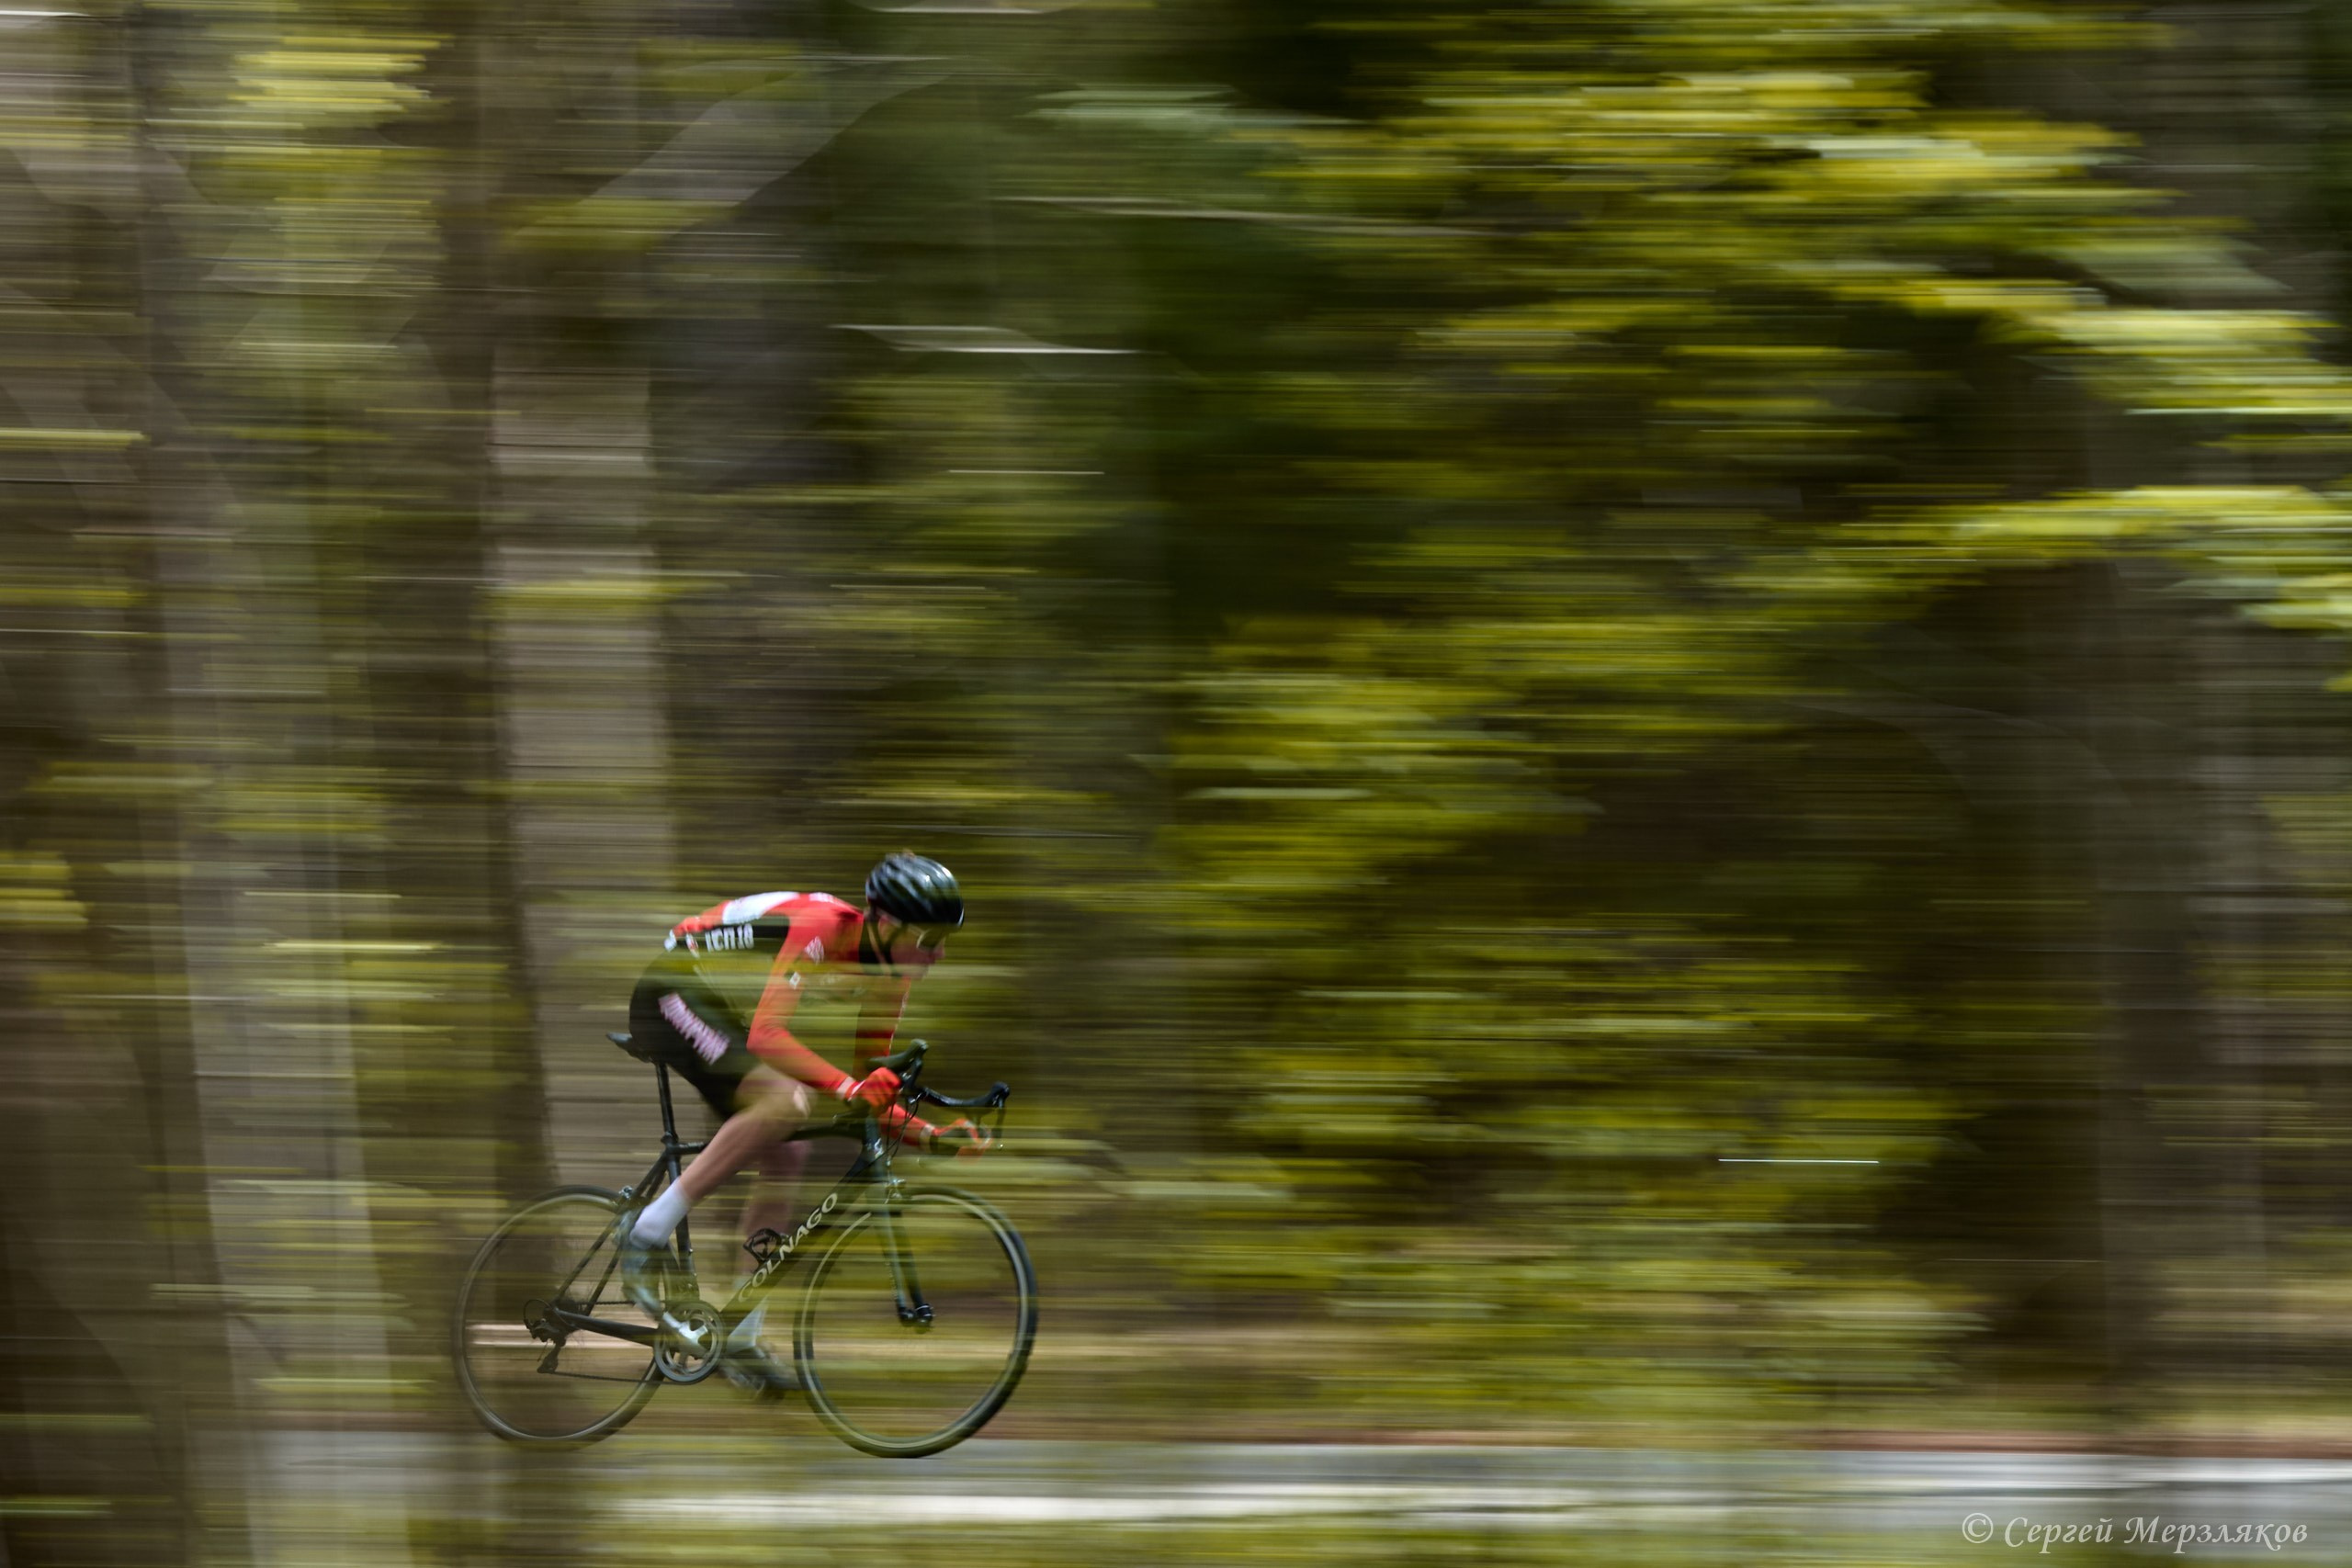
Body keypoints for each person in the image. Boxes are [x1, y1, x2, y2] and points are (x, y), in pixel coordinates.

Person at [614, 852, 990, 1396]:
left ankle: (741, 1332)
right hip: (671, 988)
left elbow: (871, 1094)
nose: (938, 955)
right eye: (929, 940)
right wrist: (848, 1088)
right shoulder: (820, 929)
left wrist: (931, 1136)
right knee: (789, 1102)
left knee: (789, 1149)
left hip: (723, 1009)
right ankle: (646, 1231)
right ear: (886, 925)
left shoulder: (891, 975)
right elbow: (771, 1037)